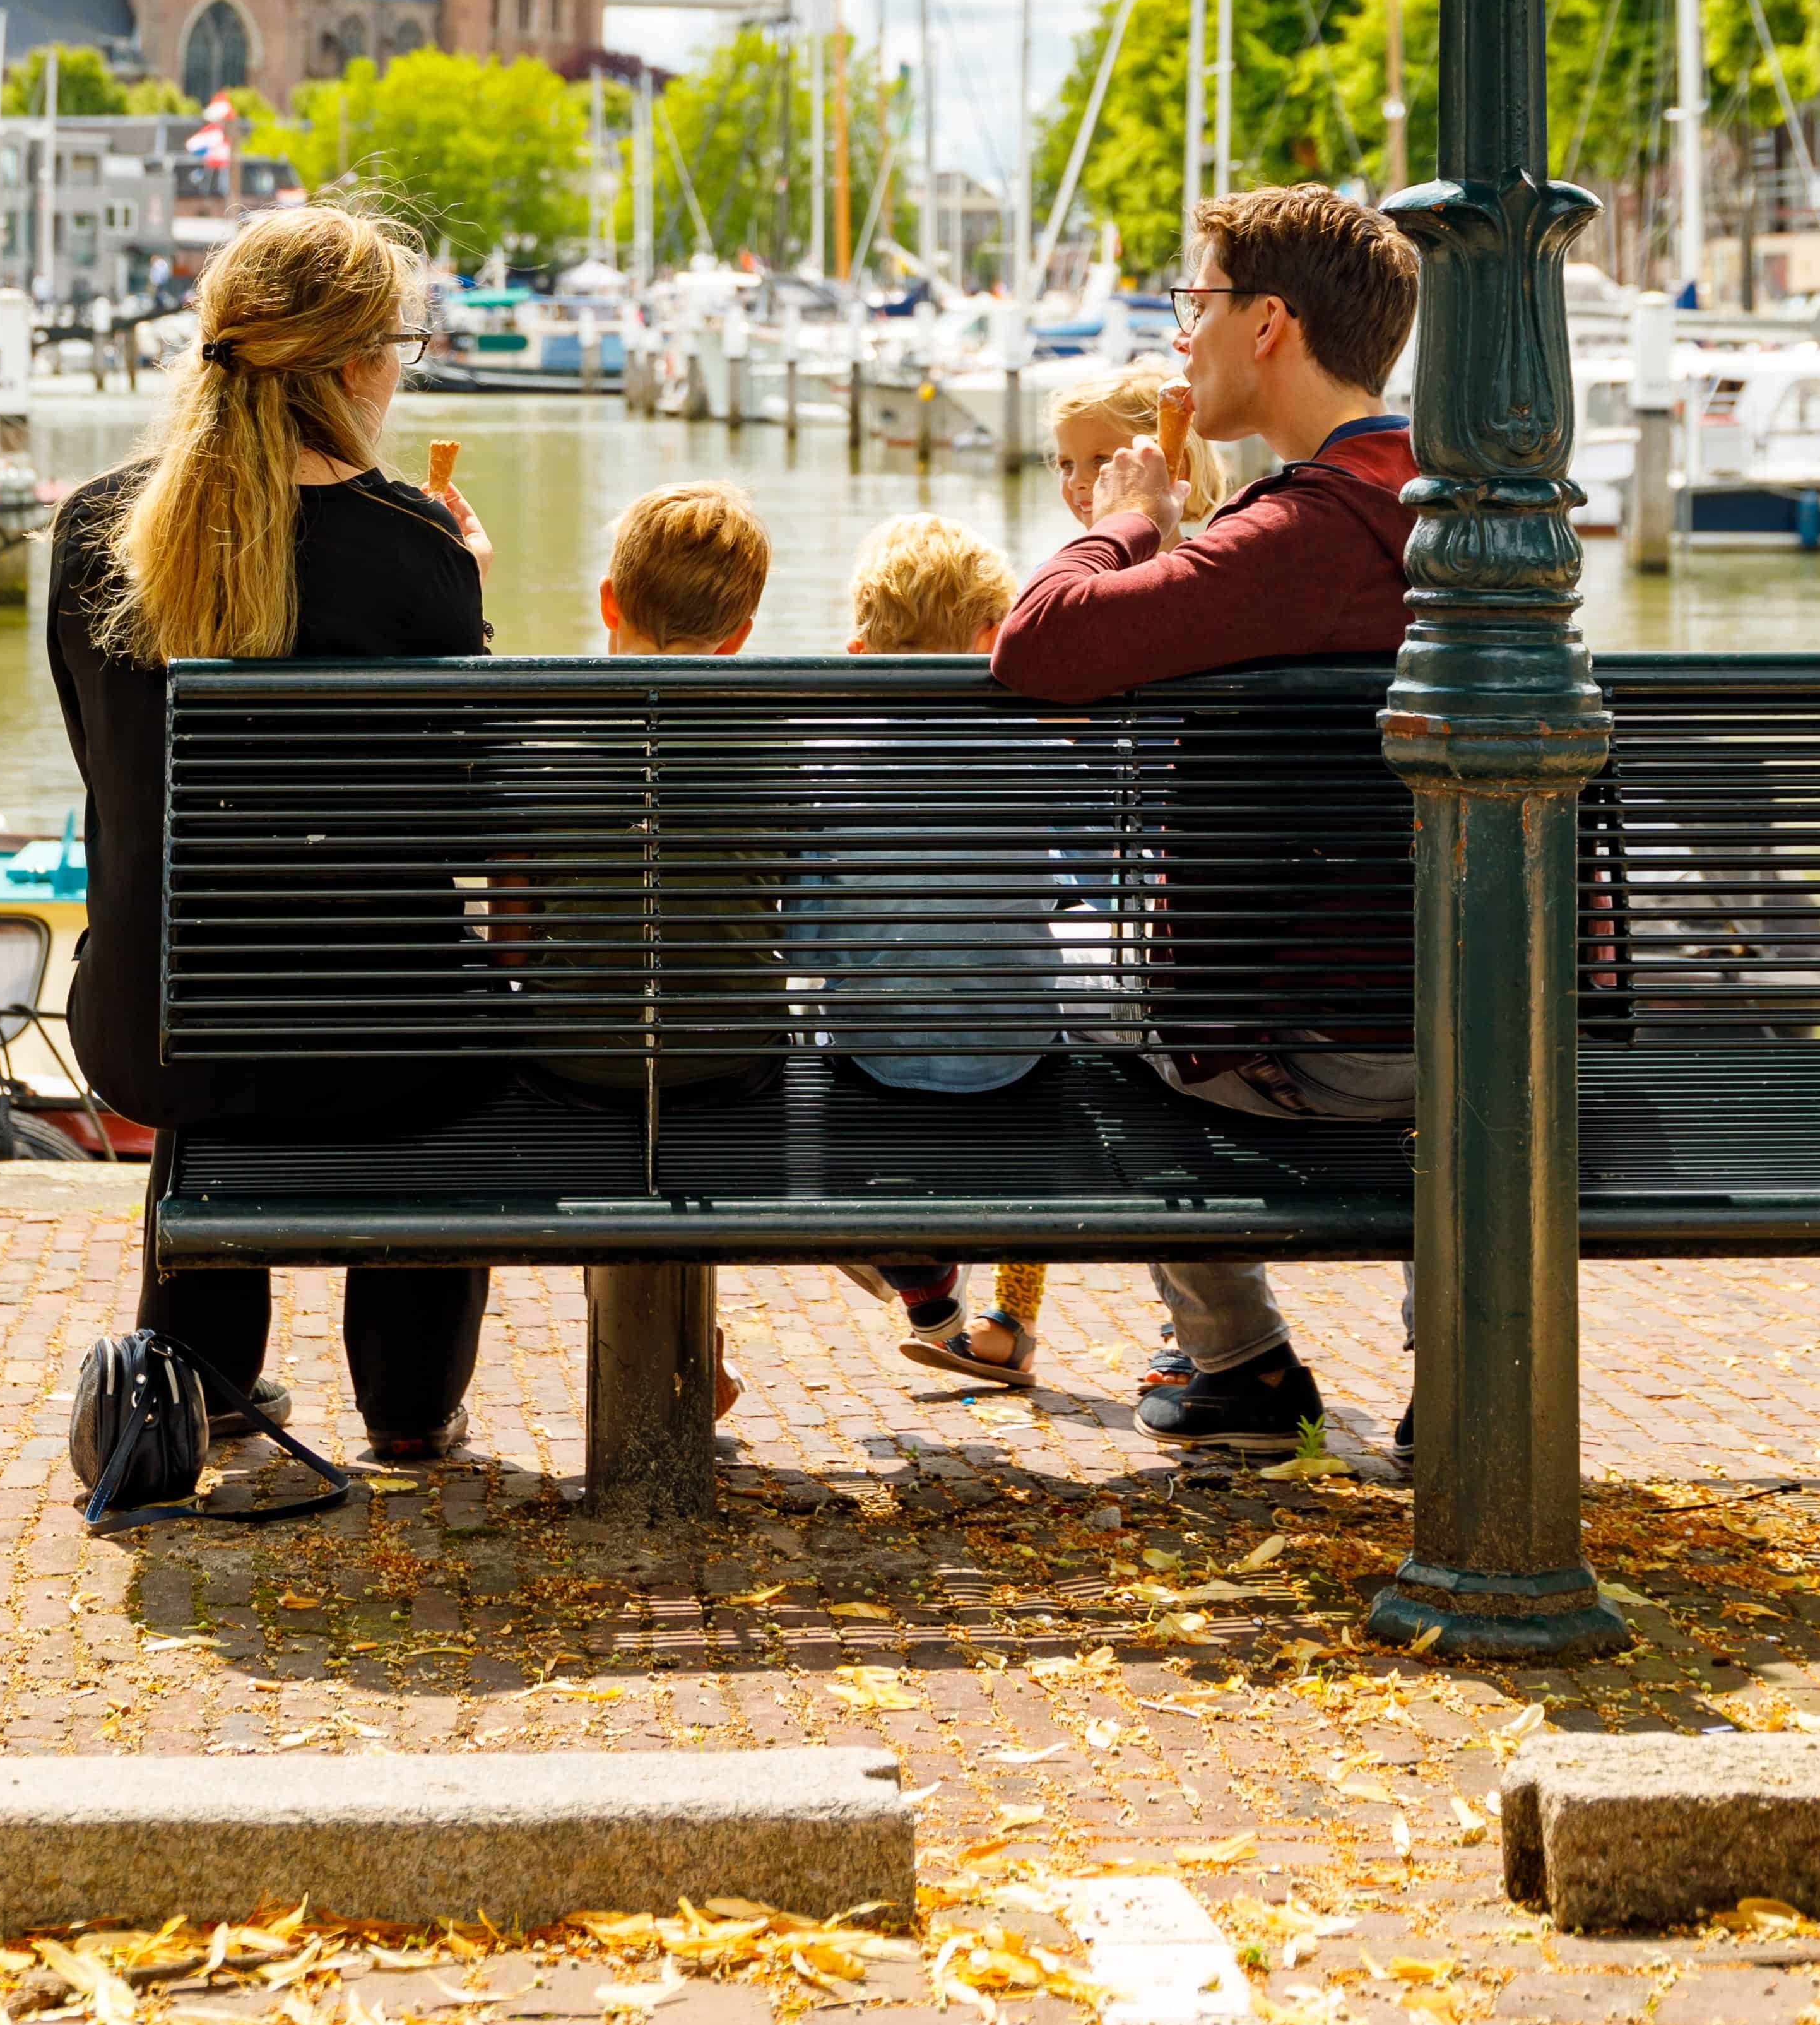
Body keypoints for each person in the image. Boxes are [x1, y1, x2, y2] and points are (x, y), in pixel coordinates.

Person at [47, 199, 499, 1466]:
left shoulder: (97, 531)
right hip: (390, 1036)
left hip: (163, 1020)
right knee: (403, 1000)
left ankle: (205, 1387)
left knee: (229, 1003)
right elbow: (463, 810)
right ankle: (409, 1407)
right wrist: (467, 596)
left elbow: (105, 769)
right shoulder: (416, 546)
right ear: (355, 366)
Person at [991, 183, 1421, 1461]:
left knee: (1059, 981)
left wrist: (1124, 526)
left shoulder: (1302, 531)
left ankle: (1232, 1360)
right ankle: (1459, 1373)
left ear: (1269, 325)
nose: (1181, 336)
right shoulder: (1454, 503)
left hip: (1333, 1047)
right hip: (1496, 1023)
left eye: (1197, 303)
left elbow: (1036, 647)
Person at [491, 482, 776, 1428]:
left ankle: (685, 1360)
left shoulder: (544, 729)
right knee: (688, 1055)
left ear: (609, 602)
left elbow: (515, 940)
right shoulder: (770, 736)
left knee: (610, 1056)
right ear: (741, 633)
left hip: (575, 1071)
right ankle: (698, 1355)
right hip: (733, 1072)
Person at [806, 514, 1072, 1389]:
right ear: (993, 637)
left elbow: (803, 940)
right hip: (1017, 1066)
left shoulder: (830, 759)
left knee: (825, 1060)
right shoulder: (1038, 746)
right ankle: (984, 1313)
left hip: (875, 1071)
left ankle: (924, 1287)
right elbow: (1090, 889)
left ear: (858, 650)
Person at [1052, 366, 1224, 534]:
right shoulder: (1062, 564)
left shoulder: (1205, 563)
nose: (1075, 482)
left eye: (1101, 461)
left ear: (1173, 468)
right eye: (1067, 465)